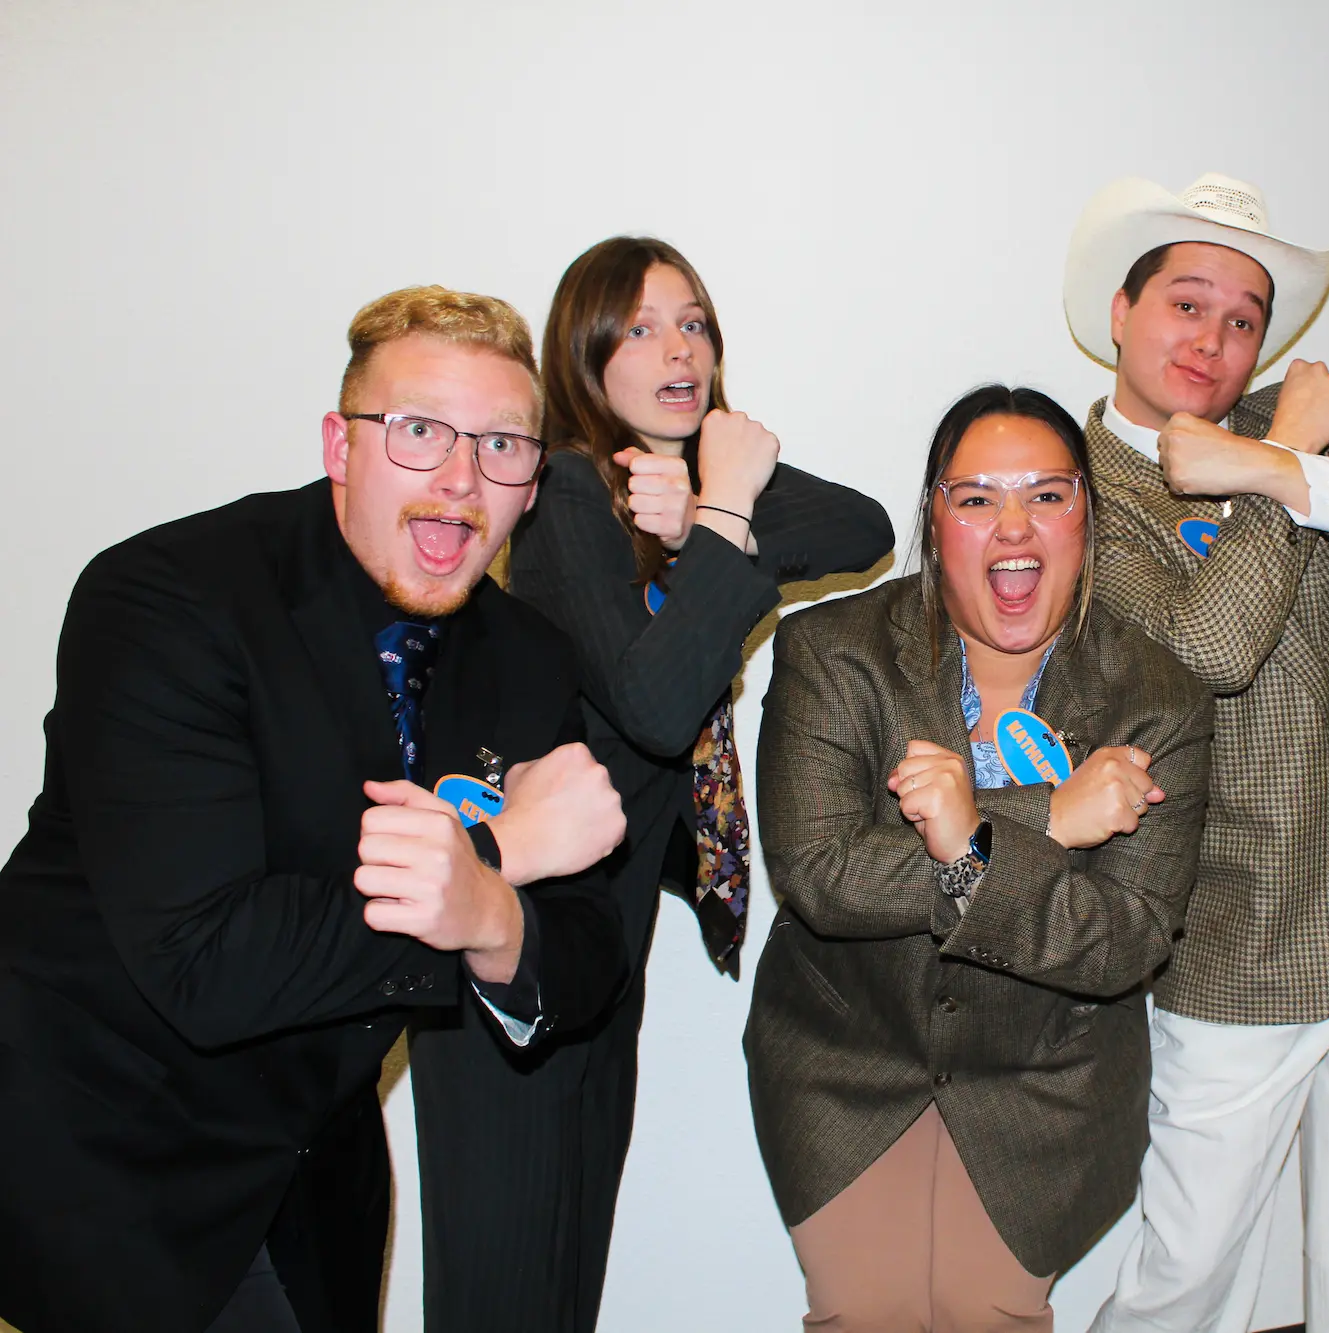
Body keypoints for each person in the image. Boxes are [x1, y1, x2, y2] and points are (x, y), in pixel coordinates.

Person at [0, 285, 629, 1333]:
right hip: (97, 1147)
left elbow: (583, 958)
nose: (459, 482)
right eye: (419, 432)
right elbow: (208, 961)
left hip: (315, 1170)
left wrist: (490, 912)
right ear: (342, 445)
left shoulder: (525, 660)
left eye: (504, 447)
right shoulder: (165, 599)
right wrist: (500, 850)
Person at [407, 235, 893, 1331]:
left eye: (694, 322)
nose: (678, 347)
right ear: (583, 353)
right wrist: (718, 517)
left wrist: (704, 508)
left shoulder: (689, 484)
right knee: (500, 1298)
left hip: (598, 954)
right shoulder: (567, 490)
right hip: (508, 954)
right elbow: (658, 706)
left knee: (562, 1283)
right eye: (638, 326)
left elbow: (861, 524)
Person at [1067, 174, 1329, 1333]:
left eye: (1242, 319)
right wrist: (1282, 472)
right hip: (1238, 904)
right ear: (1119, 311)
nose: (1215, 337)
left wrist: (1279, 463)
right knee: (1192, 1257)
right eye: (1186, 304)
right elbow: (1209, 650)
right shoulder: (1075, 486)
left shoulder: (1287, 439)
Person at [746, 384, 1215, 1332]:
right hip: (846, 1066)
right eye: (977, 498)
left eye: (1048, 495)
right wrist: (1048, 814)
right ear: (934, 517)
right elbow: (821, 873)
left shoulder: (1159, 698)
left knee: (985, 1310)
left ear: (1090, 516)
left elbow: (1125, 939)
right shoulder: (831, 653)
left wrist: (971, 838)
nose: (1015, 526)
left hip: (1047, 1082)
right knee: (864, 1310)